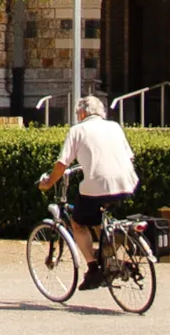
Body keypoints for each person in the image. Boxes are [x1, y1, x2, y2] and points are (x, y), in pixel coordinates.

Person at [47, 96, 141, 250]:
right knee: (97, 217)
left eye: (78, 115)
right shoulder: (115, 127)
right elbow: (129, 156)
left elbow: (62, 164)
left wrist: (48, 183)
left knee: (78, 222)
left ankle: (92, 267)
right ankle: (109, 255)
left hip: (97, 186)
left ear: (82, 114)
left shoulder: (77, 130)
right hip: (127, 183)